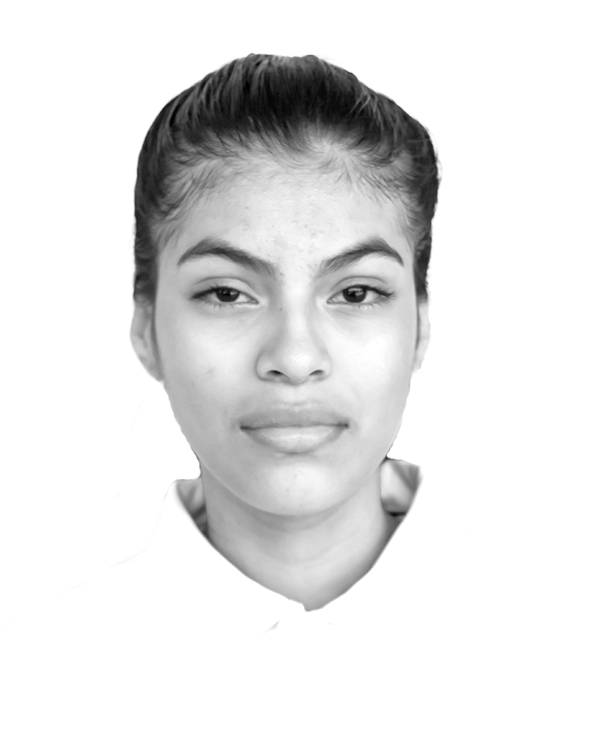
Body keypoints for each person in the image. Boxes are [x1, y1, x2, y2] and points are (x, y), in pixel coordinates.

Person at [1, 53, 440, 730]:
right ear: (146, 328)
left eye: (356, 293)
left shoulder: (557, 641)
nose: (294, 358)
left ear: (419, 329)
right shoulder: (32, 678)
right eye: (227, 293)